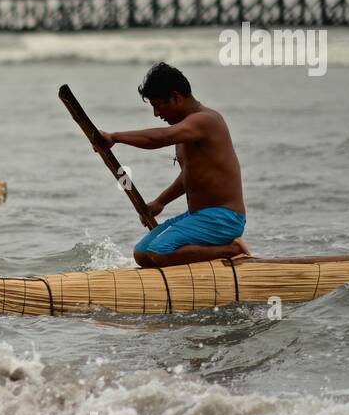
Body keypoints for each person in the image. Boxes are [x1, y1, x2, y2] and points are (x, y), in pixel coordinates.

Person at [97, 63, 251, 267]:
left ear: (176, 97)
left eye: (158, 105)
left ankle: (232, 249)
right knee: (142, 254)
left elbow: (159, 139)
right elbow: (192, 174)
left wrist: (115, 137)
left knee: (159, 252)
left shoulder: (205, 121)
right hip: (197, 216)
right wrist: (161, 201)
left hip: (223, 218)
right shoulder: (185, 129)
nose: (156, 113)